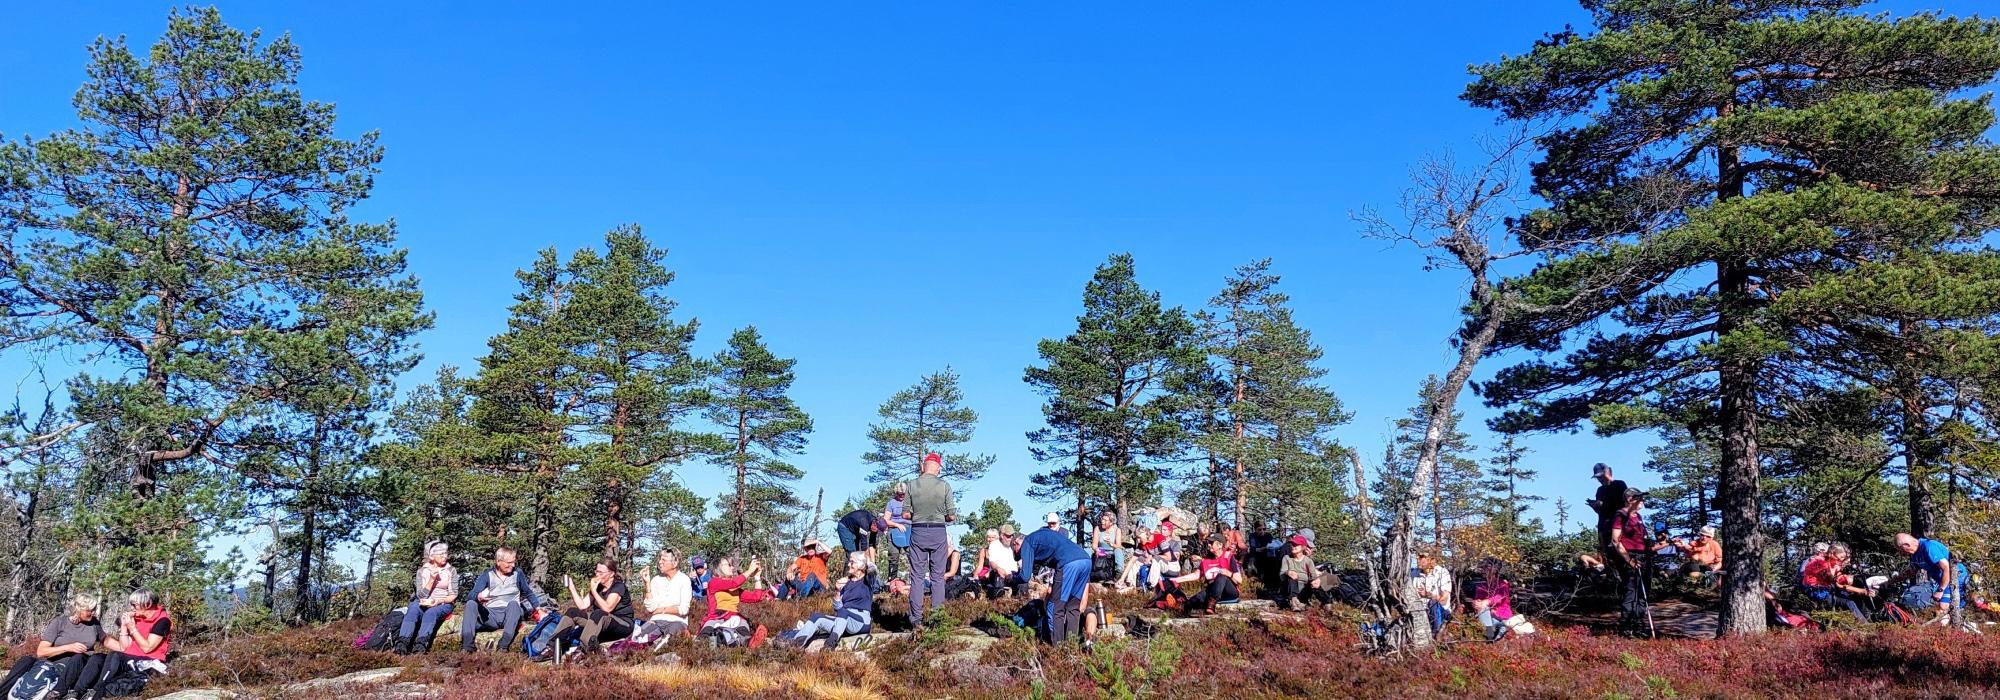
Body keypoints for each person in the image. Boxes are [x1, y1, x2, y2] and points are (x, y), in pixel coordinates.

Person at [0, 594, 105, 699]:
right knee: (26, 660)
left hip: (75, 668)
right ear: (79, 609)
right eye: (90, 610)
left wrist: (122, 629)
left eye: (94, 610)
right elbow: (41, 652)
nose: (93, 613)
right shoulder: (59, 622)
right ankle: (2, 693)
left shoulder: (94, 624)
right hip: (50, 664)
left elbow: (107, 640)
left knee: (78, 658)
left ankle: (57, 694)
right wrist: (68, 647)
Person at [72, 589, 173, 698]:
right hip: (130, 657)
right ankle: (76, 692)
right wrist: (124, 626)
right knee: (98, 658)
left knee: (115, 655)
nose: (132, 608)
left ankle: (97, 691)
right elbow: (125, 647)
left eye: (135, 605)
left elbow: (147, 648)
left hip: (147, 660)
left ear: (147, 604)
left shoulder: (163, 621)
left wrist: (132, 628)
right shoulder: (138, 617)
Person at [1012, 520, 1093, 643]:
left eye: (1018, 553)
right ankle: (1071, 647)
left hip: (1069, 563)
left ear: (1016, 542)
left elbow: (1025, 576)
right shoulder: (1043, 536)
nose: (1021, 555)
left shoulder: (1027, 542)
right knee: (1073, 607)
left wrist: (1011, 578)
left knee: (1054, 607)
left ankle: (1058, 648)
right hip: (1085, 560)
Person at [539, 558, 634, 659]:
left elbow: (607, 608)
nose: (597, 574)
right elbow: (582, 605)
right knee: (572, 612)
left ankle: (583, 649)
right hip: (602, 621)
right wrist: (572, 588)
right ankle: (552, 646)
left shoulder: (618, 586)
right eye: (596, 571)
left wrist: (594, 591)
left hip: (622, 624)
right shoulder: (598, 587)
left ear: (611, 574)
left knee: (599, 613)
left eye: (600, 572)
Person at [905, 452, 957, 626]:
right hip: (937, 532)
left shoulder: (911, 485)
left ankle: (916, 620)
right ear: (938, 468)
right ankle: (937, 619)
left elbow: (905, 513)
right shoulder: (944, 486)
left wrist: (917, 514)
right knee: (937, 577)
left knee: (917, 577)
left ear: (923, 466)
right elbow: (951, 516)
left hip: (918, 532)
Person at [461, 546, 544, 652]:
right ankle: (467, 647)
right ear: (498, 561)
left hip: (510, 615)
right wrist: (479, 596)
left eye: (513, 562)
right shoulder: (487, 575)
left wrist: (539, 609)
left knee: (514, 604)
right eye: (509, 563)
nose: (512, 565)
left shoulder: (517, 573)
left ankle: (503, 646)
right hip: (491, 616)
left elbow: (528, 593)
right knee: (471, 604)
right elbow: (471, 595)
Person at [780, 558, 875, 649]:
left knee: (844, 612)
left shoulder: (867, 581)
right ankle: (795, 645)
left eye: (852, 562)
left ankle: (830, 644)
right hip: (843, 621)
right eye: (849, 561)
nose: (849, 564)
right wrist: (837, 591)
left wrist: (865, 558)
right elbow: (837, 608)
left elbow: (873, 569)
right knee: (816, 617)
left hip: (861, 622)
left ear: (861, 565)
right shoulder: (846, 583)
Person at [1887, 532, 1969, 628]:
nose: (1901, 553)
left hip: (1956, 577)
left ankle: (1950, 632)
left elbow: (1946, 567)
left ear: (1907, 545)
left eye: (1901, 550)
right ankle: (1949, 631)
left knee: (1944, 606)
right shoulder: (1915, 555)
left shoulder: (1929, 547)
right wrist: (1890, 582)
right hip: (1942, 580)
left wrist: (1940, 590)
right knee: (1941, 608)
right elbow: (1910, 572)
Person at [396, 541, 457, 654]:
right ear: (432, 556)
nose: (445, 556)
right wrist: (432, 580)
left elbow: (453, 596)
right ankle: (402, 644)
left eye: (446, 553)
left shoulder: (451, 571)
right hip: (423, 601)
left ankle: (420, 646)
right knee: (413, 609)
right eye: (441, 554)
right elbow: (420, 595)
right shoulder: (422, 571)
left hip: (443, 603)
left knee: (431, 613)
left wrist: (438, 601)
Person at [1607, 493, 1654, 637]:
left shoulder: (1638, 517)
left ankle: (1639, 625)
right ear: (1630, 500)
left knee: (1642, 592)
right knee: (1631, 592)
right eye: (1639, 499)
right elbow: (1615, 541)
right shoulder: (1621, 515)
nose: (1642, 502)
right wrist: (1629, 560)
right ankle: (1626, 627)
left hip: (1643, 556)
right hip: (1630, 556)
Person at [699, 557, 770, 648]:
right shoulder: (713, 582)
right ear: (718, 568)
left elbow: (756, 597)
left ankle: (750, 642)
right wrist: (749, 571)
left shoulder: (734, 589)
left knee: (742, 626)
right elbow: (734, 583)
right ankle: (701, 642)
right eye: (728, 565)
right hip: (716, 617)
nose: (732, 568)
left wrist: (757, 577)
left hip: (734, 617)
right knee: (709, 627)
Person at [1169, 537, 1244, 615]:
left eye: (1211, 543)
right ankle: (1180, 608)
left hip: (1229, 592)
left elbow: (1239, 580)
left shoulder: (1228, 556)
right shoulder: (1206, 560)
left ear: (1220, 545)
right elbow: (1196, 575)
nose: (1208, 545)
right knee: (1197, 597)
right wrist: (1177, 580)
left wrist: (1228, 573)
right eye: (1208, 542)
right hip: (1213, 589)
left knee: (1221, 576)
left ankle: (1211, 604)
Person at [1800, 543, 1871, 624]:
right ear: (1832, 553)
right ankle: (1865, 626)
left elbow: (1840, 582)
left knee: (1852, 597)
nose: (1842, 560)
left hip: (1825, 591)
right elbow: (1831, 578)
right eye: (1841, 557)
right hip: (1816, 592)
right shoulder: (1819, 561)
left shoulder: (1833, 563)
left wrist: (1863, 590)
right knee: (1848, 602)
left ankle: (1867, 621)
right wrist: (1837, 571)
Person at [636, 550, 694, 645]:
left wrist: (660, 610)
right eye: (659, 559)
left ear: (675, 563)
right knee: (637, 639)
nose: (660, 562)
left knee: (669, 642)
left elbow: (683, 610)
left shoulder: (684, 579)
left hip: (677, 621)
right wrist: (647, 583)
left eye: (664, 560)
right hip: (656, 620)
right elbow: (651, 608)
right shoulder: (655, 580)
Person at [1471, 558, 1532, 641]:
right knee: (1482, 608)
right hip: (1488, 614)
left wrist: (1486, 602)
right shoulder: (1481, 586)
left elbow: (1499, 597)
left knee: (1484, 608)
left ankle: (1490, 635)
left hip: (1501, 615)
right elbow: (1478, 599)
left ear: (1495, 569)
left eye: (1487, 567)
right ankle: (1493, 633)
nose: (1484, 570)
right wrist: (1475, 603)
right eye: (1483, 568)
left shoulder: (1502, 584)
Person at [1585, 463, 1629, 552]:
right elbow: (1601, 511)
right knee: (1607, 555)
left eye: (1601, 476)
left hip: (1618, 527)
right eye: (1598, 477)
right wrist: (1595, 506)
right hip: (1604, 528)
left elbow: (1625, 504)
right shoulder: (1600, 490)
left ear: (1608, 472)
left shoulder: (1619, 484)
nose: (1600, 479)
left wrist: (1604, 504)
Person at [1276, 536, 1325, 610]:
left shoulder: (1308, 561)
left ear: (1303, 547)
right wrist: (1288, 572)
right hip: (1289, 588)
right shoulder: (1287, 558)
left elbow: (1313, 577)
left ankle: (1327, 603)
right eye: (1292, 544)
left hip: (1304, 589)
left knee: (1317, 583)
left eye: (1296, 545)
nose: (1293, 546)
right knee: (1292, 577)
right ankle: (1294, 601)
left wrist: (1316, 580)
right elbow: (1281, 575)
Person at [836, 507, 889, 573]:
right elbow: (864, 547)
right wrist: (869, 562)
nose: (876, 533)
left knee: (858, 554)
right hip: (845, 528)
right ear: (874, 525)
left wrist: (873, 563)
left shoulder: (874, 525)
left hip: (855, 530)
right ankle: (847, 578)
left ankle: (858, 577)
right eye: (877, 531)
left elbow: (871, 544)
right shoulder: (864, 524)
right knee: (852, 554)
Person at [1413, 551, 1453, 635]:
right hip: (1419, 610)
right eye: (1417, 556)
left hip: (1440, 611)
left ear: (1430, 559)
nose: (1417, 559)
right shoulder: (1413, 573)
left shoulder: (1442, 573)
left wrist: (1428, 594)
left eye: (1421, 557)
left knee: (1433, 604)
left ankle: (1436, 635)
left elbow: (1443, 600)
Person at [1092, 512, 1124, 579]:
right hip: (1102, 550)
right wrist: (1096, 549)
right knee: (1088, 550)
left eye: (1105, 520)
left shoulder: (1117, 530)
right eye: (1102, 519)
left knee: (1118, 551)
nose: (1102, 522)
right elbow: (1094, 545)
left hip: (1112, 551)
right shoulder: (1097, 529)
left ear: (1111, 522)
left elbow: (1119, 546)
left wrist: (1111, 544)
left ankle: (1119, 572)